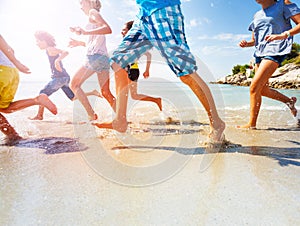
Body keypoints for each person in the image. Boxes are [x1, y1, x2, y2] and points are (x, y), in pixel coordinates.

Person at [93, 0, 225, 145]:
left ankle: (216, 123)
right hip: (142, 16)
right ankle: (120, 120)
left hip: (163, 11)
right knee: (118, 60)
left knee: (186, 73)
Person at [238, 0, 300, 129]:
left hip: (277, 49)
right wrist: (247, 44)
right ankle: (289, 102)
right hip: (259, 53)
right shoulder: (257, 15)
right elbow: (255, 41)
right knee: (263, 90)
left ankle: (251, 125)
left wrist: (284, 35)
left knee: (254, 87)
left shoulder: (283, 4)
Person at [0, 34, 57, 143]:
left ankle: (14, 137)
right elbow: (11, 49)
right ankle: (37, 100)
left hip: (2, 71)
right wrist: (15, 63)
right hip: (11, 71)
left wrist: (17, 62)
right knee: (4, 108)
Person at [69, 0, 115, 121]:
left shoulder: (92, 12)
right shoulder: (93, 16)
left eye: (81, 3)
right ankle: (122, 116)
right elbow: (95, 42)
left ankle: (91, 115)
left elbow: (108, 29)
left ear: (90, 2)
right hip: (103, 58)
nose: (80, 7)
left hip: (94, 57)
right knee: (105, 92)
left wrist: (85, 32)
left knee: (74, 85)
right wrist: (79, 42)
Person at [122, 20, 162, 111]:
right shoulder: (126, 42)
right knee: (132, 95)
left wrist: (147, 70)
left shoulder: (134, 43)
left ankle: (121, 118)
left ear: (130, 31)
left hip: (132, 70)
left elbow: (148, 54)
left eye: (124, 30)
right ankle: (156, 100)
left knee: (124, 94)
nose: (122, 32)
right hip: (130, 70)